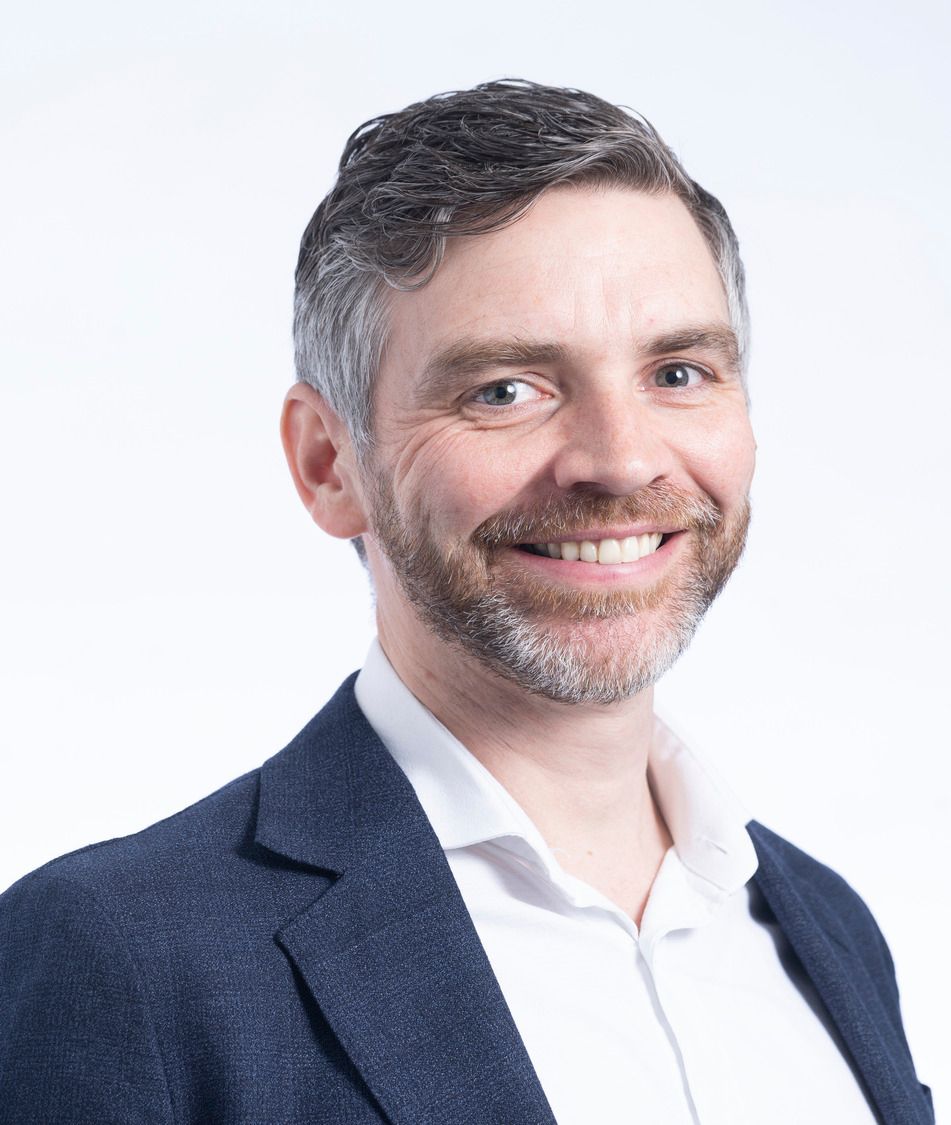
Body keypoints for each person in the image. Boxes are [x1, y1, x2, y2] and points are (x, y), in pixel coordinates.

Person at [0, 79, 933, 1125]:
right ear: (328, 464)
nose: (621, 460)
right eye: (504, 390)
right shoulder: (120, 959)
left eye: (678, 372)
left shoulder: (828, 930)